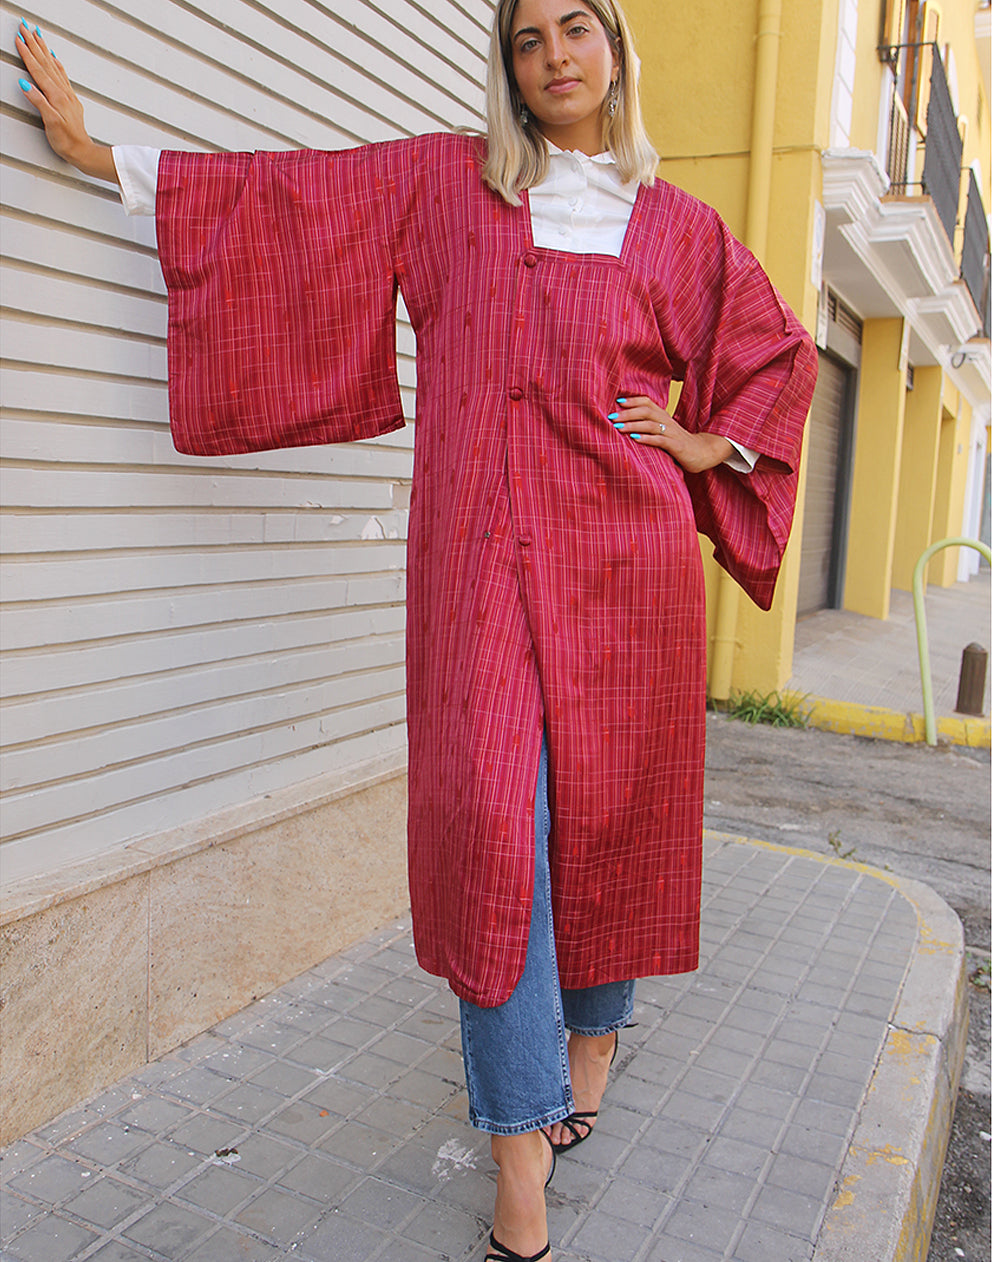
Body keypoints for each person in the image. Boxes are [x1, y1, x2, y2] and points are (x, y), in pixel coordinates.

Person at [16, 4, 817, 1259]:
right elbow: (293, 204)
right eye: (526, 38)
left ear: (615, 48)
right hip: (477, 563)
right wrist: (106, 155)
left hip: (626, 563)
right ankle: (518, 1157)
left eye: (576, 28)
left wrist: (708, 443)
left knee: (606, 811)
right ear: (505, 66)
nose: (553, 54)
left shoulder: (677, 225)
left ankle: (592, 1037)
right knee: (497, 833)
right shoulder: (447, 182)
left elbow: (774, 351)